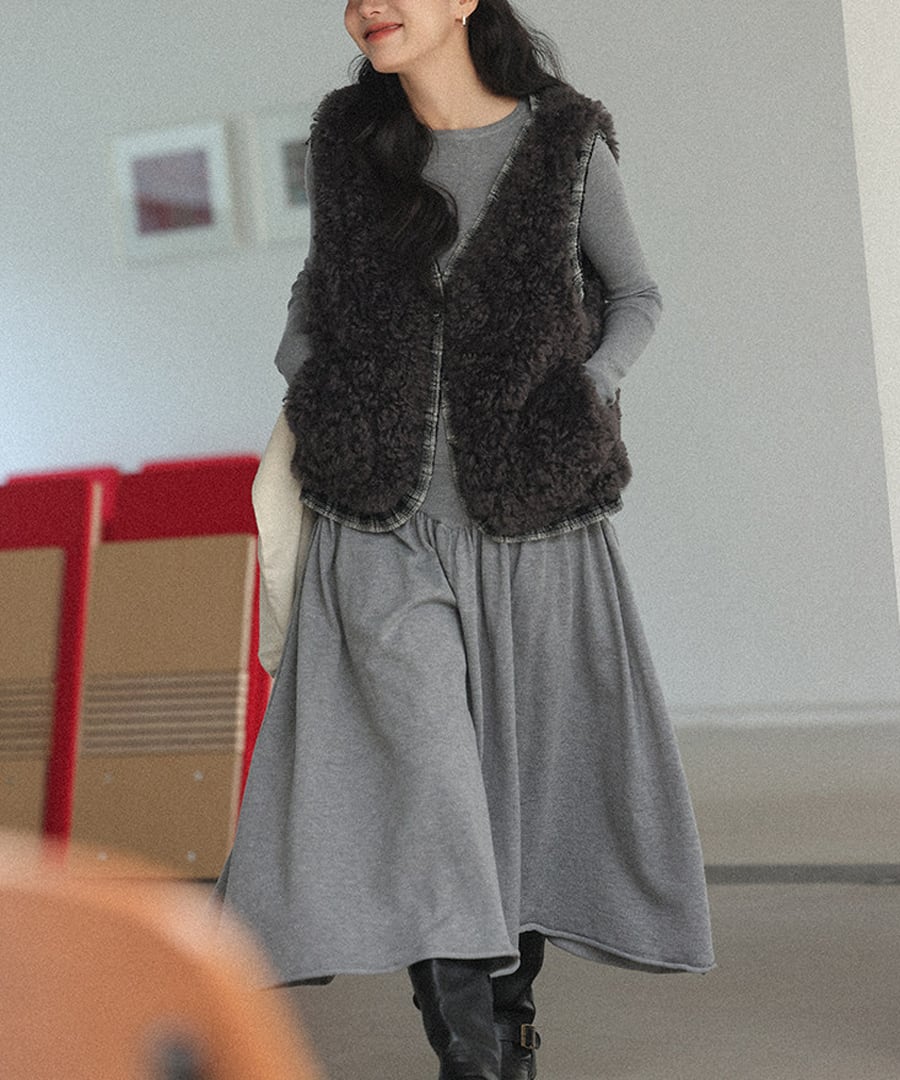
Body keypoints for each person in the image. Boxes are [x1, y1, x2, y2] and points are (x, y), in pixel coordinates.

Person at [215, 1, 714, 1077]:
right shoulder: (352, 142)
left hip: (529, 522)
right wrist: (311, 375)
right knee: (429, 792)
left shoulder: (565, 140)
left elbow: (636, 294)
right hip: (375, 521)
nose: (369, 6)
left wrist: (586, 389)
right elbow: (317, 290)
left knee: (507, 799)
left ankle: (508, 1033)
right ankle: (471, 1057)